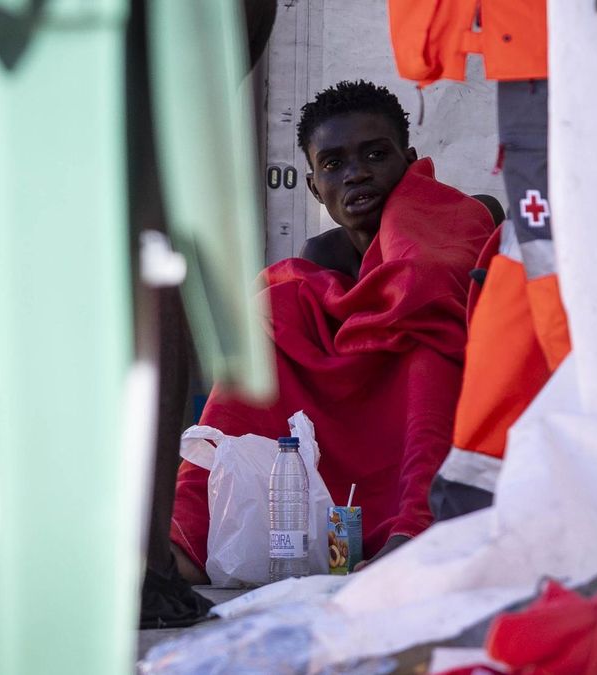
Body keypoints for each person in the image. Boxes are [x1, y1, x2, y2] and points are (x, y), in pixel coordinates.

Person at [169, 80, 495, 583]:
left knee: (422, 326)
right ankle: (183, 538)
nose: (356, 173)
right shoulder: (321, 257)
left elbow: (430, 288)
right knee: (273, 309)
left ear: (410, 162)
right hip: (352, 426)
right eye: (333, 164)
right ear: (313, 187)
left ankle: (416, 528)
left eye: (376, 155)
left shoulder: (464, 214)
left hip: (441, 413)